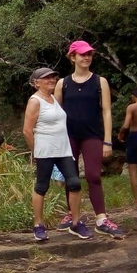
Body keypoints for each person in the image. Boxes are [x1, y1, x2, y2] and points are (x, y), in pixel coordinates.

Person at [55, 40, 124, 239]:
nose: (86, 57)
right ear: (73, 57)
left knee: (94, 175)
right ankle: (72, 215)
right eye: (82, 54)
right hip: (68, 135)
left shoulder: (99, 81)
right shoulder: (63, 83)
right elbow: (56, 112)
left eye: (89, 54)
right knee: (71, 177)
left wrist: (108, 140)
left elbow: (107, 111)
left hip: (92, 134)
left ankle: (101, 219)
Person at [23, 67, 93, 241]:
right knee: (42, 186)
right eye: (46, 78)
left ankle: (76, 223)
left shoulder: (53, 98)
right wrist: (36, 151)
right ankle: (38, 225)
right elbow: (27, 130)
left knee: (75, 183)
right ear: (36, 83)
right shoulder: (35, 101)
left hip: (63, 150)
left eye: (53, 77)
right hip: (45, 151)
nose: (51, 80)